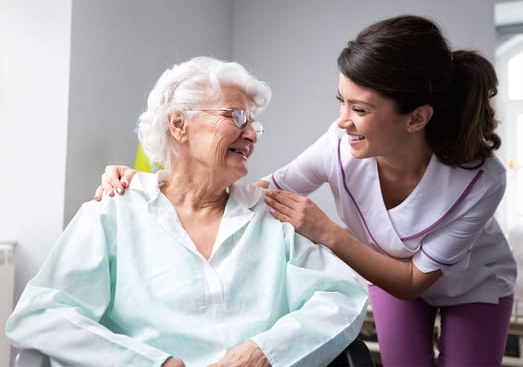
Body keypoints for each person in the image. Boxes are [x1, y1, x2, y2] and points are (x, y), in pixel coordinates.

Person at [95, 15, 517, 367]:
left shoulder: (480, 181)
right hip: (386, 278)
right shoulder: (339, 144)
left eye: (360, 109)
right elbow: (262, 192)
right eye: (342, 101)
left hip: (470, 285)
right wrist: (153, 185)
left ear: (416, 119)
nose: (343, 120)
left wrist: (326, 231)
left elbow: (411, 281)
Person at [5, 56, 368, 367]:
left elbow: (342, 299)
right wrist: (152, 363)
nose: (252, 135)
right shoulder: (113, 212)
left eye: (254, 124)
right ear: (179, 124)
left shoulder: (273, 216)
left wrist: (262, 354)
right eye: (237, 116)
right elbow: (42, 315)